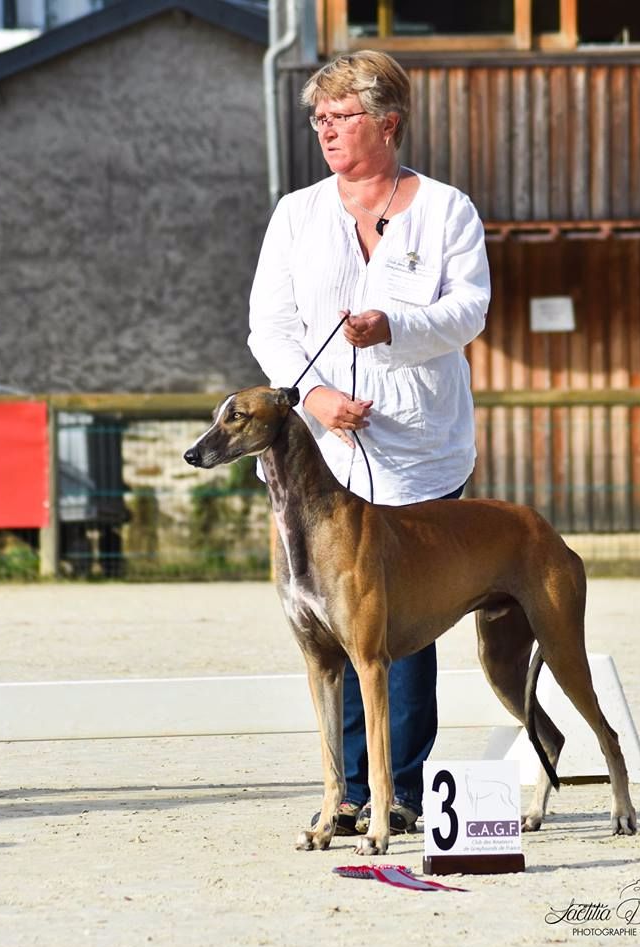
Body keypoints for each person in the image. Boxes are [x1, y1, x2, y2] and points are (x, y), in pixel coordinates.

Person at [247, 50, 490, 836]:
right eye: (318, 117)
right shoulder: (295, 214)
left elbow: (469, 313)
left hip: (421, 447)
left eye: (341, 116)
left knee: (403, 630)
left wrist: (396, 327)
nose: (325, 129)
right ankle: (349, 790)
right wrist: (311, 396)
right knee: (328, 617)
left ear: (387, 121)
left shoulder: (446, 209)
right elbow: (269, 326)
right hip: (325, 459)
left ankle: (404, 789)